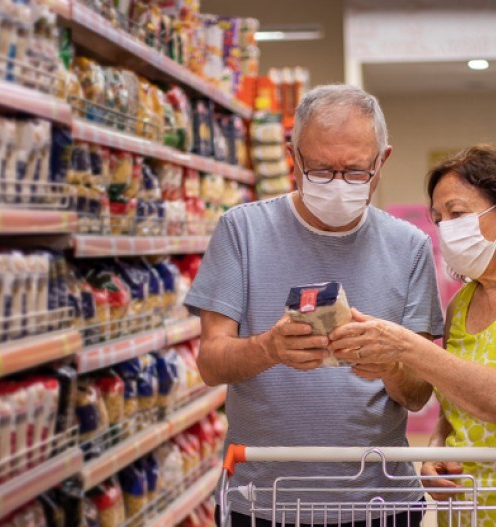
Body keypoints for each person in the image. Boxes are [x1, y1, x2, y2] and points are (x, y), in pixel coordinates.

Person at [185, 84, 444, 527]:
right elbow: (211, 363)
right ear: (293, 155)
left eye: (356, 171)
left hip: (380, 501)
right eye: (321, 170)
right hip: (264, 500)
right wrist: (269, 348)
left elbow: (418, 395)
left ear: (382, 160)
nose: (338, 185)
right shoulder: (241, 231)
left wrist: (387, 362)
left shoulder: (411, 246)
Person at [329, 144, 496, 526]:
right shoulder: (462, 305)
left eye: (458, 213)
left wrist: (408, 345)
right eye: (439, 219)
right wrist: (436, 449)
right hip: (467, 506)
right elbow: (456, 408)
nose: (447, 229)